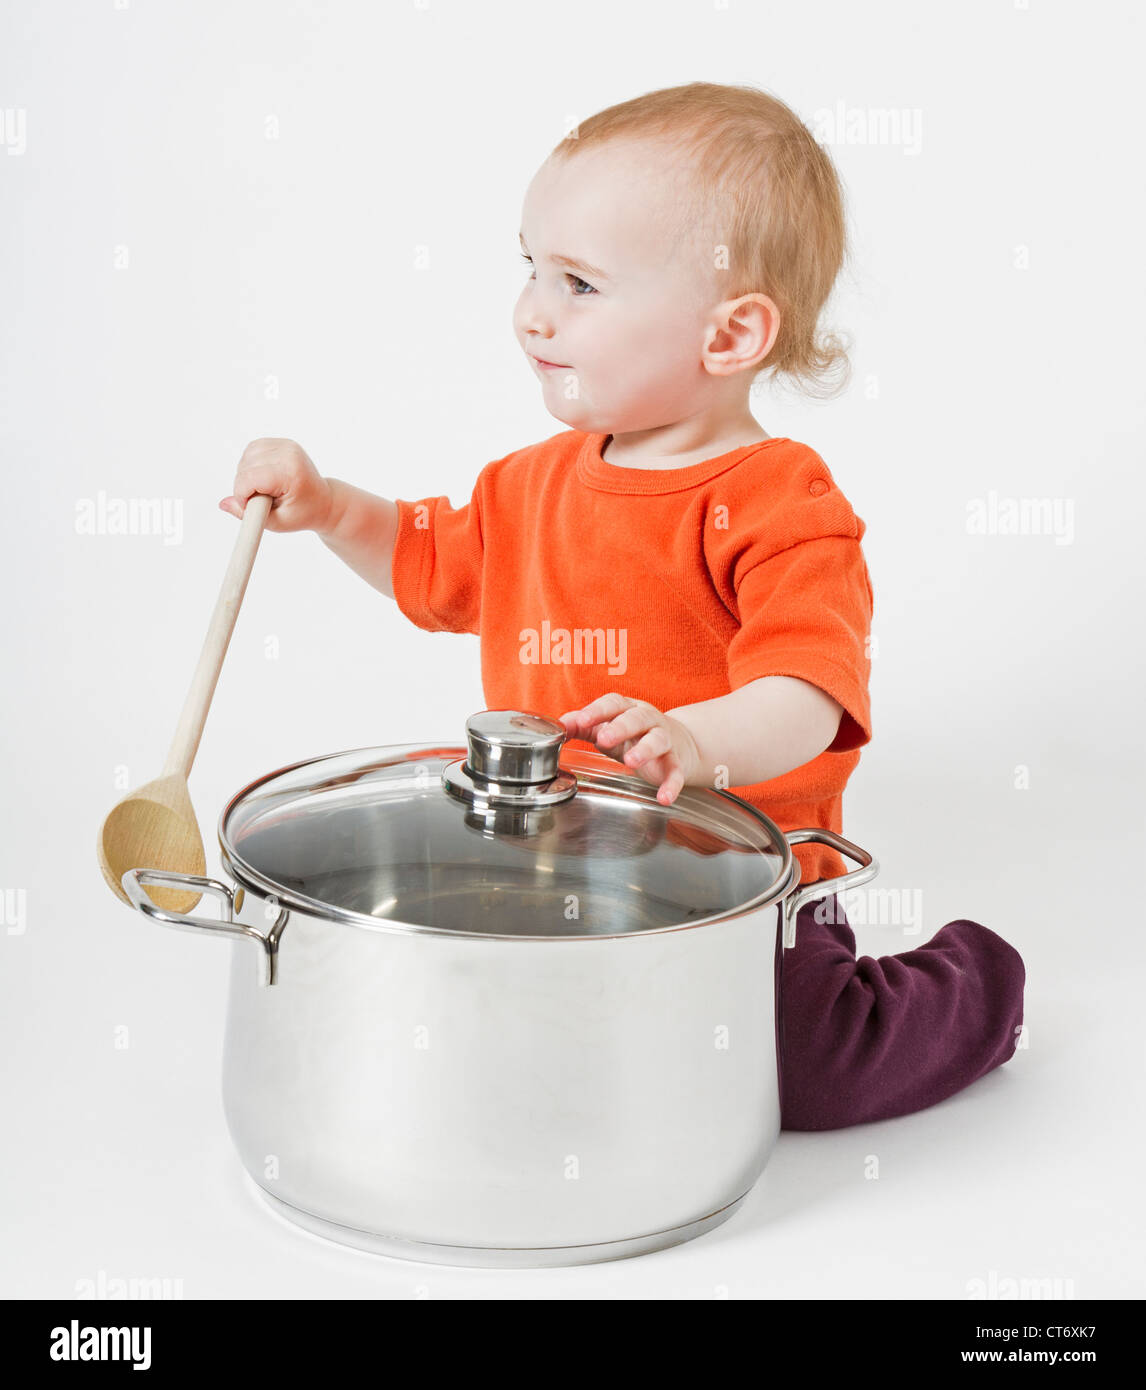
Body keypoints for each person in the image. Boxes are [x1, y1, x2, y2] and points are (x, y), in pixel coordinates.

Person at [221, 81, 1025, 1130]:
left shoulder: (784, 502)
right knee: (508, 1045)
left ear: (730, 335)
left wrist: (695, 738)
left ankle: (977, 987)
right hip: (546, 857)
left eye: (581, 284)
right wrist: (330, 507)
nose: (532, 312)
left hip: (739, 879)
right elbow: (430, 564)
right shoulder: (528, 484)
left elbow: (807, 692)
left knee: (807, 1074)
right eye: (530, 267)